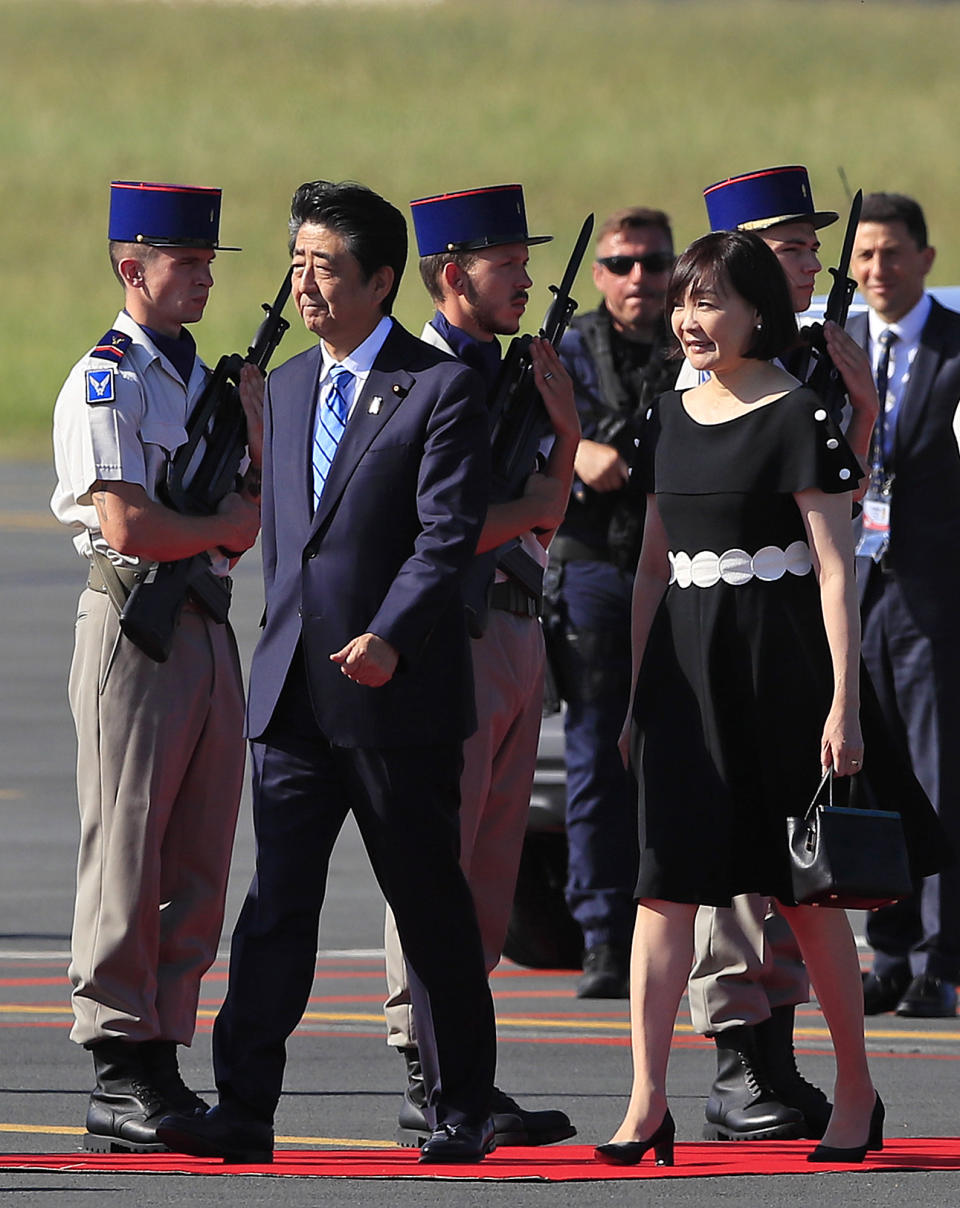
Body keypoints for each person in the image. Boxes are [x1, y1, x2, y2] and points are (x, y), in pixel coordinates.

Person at [156, 180, 499, 1165]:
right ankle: (245, 1105)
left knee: (431, 907)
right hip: (294, 691)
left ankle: (462, 1104)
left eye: (326, 267)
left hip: (396, 694)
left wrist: (392, 633)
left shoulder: (438, 387)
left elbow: (447, 537)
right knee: (276, 909)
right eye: (297, 262)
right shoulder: (293, 382)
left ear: (381, 279)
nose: (305, 284)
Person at [597, 229, 884, 1167]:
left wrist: (843, 706)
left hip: (782, 673)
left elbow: (837, 573)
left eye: (709, 300)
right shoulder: (662, 418)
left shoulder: (802, 418)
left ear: (759, 312)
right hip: (685, 677)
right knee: (661, 892)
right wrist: (640, 694)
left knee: (806, 899)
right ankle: (646, 1100)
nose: (687, 318)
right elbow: (648, 572)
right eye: (684, 301)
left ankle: (855, 1088)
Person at [50, 180, 263, 1152]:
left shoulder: (198, 381)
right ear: (131, 267)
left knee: (200, 854)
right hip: (135, 619)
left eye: (209, 261)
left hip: (205, 620)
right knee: (127, 846)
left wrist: (246, 435)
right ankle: (117, 1061)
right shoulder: (110, 377)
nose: (205, 277)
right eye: (187, 262)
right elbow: (131, 521)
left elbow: (246, 523)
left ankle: (165, 1051)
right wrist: (215, 523)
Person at [680, 165, 881, 1142]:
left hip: (795, 629)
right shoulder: (708, 366)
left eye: (808, 245)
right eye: (788, 246)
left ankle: (781, 1054)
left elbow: (839, 505)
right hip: (727, 626)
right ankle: (735, 1058)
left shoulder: (806, 356)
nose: (805, 260)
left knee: (796, 855)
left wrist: (862, 409)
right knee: (729, 866)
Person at [381, 184, 579, 1148]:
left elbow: (543, 512)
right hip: (445, 638)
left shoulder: (517, 373)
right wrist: (544, 492)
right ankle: (425, 1062)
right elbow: (440, 530)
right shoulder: (410, 379)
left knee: (492, 869)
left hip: (514, 625)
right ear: (454, 273)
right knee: (435, 857)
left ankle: (467, 1064)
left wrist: (564, 439)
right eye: (508, 263)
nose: (527, 278)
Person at [550, 207, 678, 999]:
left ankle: (679, 913)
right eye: (624, 264)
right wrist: (576, 455)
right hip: (595, 567)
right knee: (600, 753)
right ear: (599, 275)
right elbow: (513, 447)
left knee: (688, 750)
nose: (641, 279)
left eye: (655, 264)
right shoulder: (563, 352)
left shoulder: (698, 345)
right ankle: (603, 932)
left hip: (680, 565)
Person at [848, 192, 960, 1019]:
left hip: (930, 588)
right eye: (864, 256)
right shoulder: (837, 344)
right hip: (853, 588)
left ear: (925, 258)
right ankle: (887, 948)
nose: (877, 270)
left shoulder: (954, 351)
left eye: (892, 254)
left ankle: (940, 954)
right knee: (874, 770)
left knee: (937, 770)